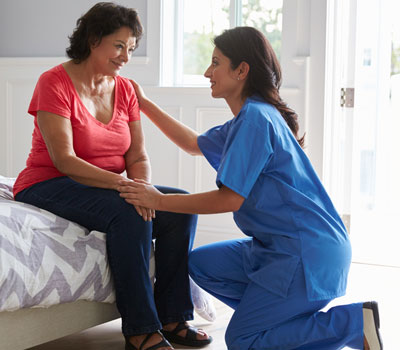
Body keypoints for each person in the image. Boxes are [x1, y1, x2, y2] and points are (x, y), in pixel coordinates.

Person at [118, 27, 383, 350]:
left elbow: (230, 198)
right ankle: (280, 324)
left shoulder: (256, 120)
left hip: (304, 253)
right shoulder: (249, 117)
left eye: (216, 63)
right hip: (279, 247)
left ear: (241, 70)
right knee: (202, 264)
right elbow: (191, 144)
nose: (207, 72)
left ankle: (353, 324)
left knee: (243, 340)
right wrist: (142, 104)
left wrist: (158, 200)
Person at [13, 3, 212, 350]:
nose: (125, 57)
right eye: (119, 46)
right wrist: (128, 189)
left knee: (178, 205)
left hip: (106, 185)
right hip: (48, 183)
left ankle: (173, 316)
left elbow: (136, 155)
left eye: (131, 49)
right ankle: (139, 329)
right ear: (93, 40)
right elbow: (65, 160)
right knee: (127, 212)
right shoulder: (53, 82)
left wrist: (145, 187)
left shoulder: (125, 90)